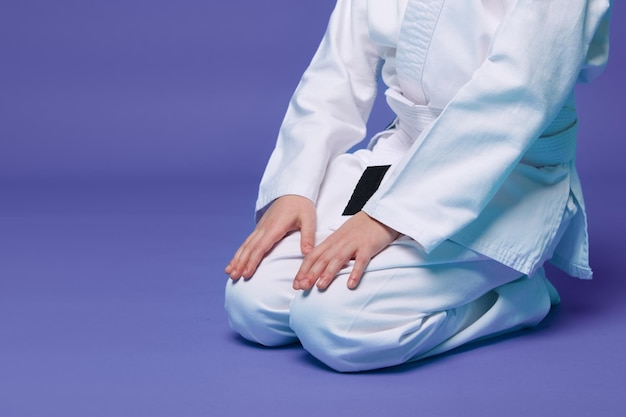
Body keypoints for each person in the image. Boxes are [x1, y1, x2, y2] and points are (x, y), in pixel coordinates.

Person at [224, 0, 611, 372]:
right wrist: (296, 184)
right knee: (253, 304)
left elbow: (518, 95)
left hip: (511, 173)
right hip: (399, 154)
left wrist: (388, 218)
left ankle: (517, 299)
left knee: (337, 326)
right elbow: (338, 69)